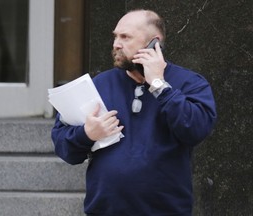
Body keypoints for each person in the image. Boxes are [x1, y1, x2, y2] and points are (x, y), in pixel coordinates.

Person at [51, 9, 217, 216]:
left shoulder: (189, 83)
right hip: (105, 210)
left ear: (154, 43)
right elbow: (63, 147)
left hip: (165, 210)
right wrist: (86, 134)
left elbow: (196, 129)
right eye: (115, 36)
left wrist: (159, 85)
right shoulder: (98, 85)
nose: (116, 44)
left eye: (125, 37)